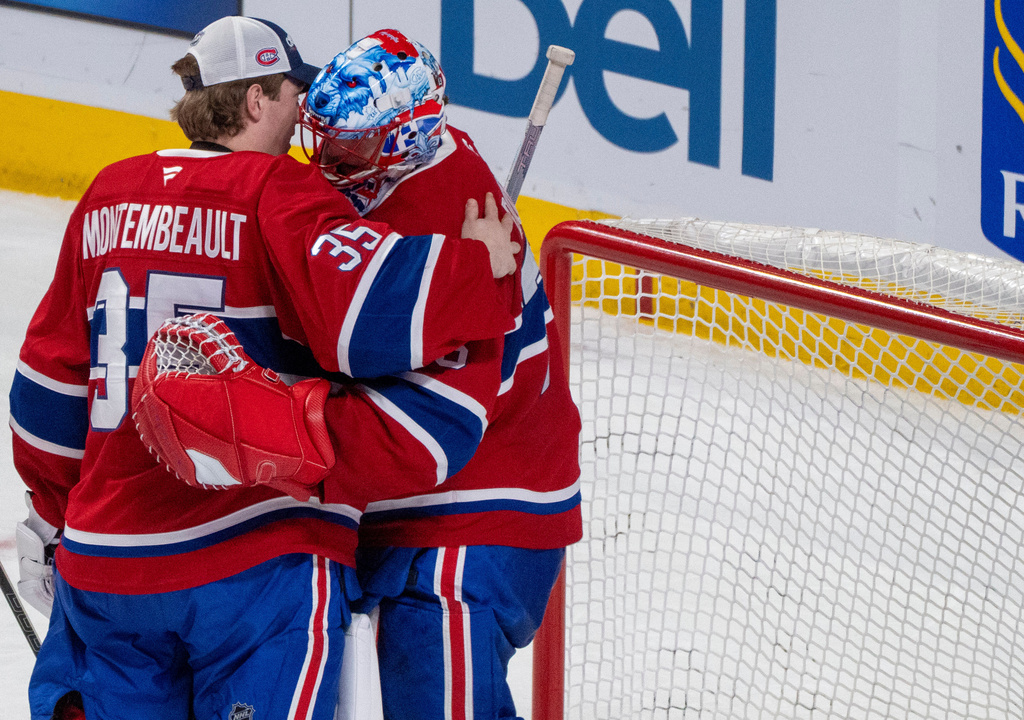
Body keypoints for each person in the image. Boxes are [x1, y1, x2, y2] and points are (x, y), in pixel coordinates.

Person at [9, 15, 520, 720]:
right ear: (255, 101)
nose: (300, 115)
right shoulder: (279, 193)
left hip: (109, 567)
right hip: (254, 568)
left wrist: (53, 515)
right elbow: (367, 316)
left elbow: (47, 389)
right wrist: (481, 270)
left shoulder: (108, 194)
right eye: (289, 92)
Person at [157, 29, 583, 719]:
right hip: (414, 502)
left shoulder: (449, 211)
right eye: (323, 140)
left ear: (405, 136)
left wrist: (283, 437)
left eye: (350, 149)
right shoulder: (397, 165)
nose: (328, 160)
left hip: (482, 503)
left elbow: (386, 370)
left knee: (435, 690)